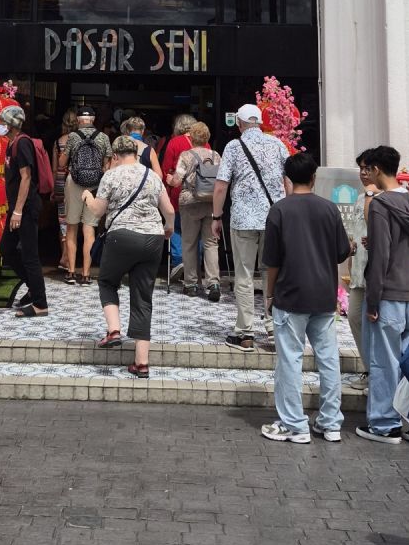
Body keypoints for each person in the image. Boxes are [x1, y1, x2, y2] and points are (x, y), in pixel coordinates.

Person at [260, 151, 354, 443]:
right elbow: (342, 252)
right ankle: (330, 422)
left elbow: (272, 260)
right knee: (328, 360)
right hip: (324, 294)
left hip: (290, 293)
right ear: (314, 177)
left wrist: (269, 293)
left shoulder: (280, 210)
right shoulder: (328, 209)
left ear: (286, 179)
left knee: (290, 359)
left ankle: (294, 424)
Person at [81, 135, 175, 378]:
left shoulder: (111, 176)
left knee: (107, 281)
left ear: (114, 156)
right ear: (136, 152)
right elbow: (169, 211)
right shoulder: (153, 176)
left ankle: (114, 331)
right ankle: (141, 363)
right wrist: (168, 229)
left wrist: (88, 197)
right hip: (153, 238)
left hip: (121, 236)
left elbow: (98, 210)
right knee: (143, 298)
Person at [358, 145, 409, 443]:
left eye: (366, 168)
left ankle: (384, 424)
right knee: (407, 362)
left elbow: (381, 256)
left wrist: (373, 300)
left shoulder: (381, 205)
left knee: (383, 362)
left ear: (375, 170)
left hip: (386, 295)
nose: (364, 173)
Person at [213, 104, 290, 350]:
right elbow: (288, 179)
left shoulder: (234, 147)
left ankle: (244, 333)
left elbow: (222, 185)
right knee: (272, 273)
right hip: (275, 217)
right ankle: (273, 329)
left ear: (239, 124)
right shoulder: (277, 144)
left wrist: (216, 216)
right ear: (259, 122)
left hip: (244, 219)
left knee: (244, 275)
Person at [0, 105, 48, 318]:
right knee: (6, 248)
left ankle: (40, 303)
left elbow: (26, 177)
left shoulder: (23, 143)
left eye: (2, 122)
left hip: (25, 208)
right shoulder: (12, 144)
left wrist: (17, 211)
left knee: (30, 255)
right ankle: (32, 287)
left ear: (11, 124)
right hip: (17, 207)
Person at [59, 107, 110, 285]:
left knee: (71, 227)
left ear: (79, 120)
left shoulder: (72, 137)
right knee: (89, 230)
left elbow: (61, 162)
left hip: (74, 183)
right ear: (93, 119)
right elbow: (107, 164)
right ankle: (86, 274)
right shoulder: (103, 137)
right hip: (95, 185)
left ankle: (71, 272)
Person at [172, 122, 221, 299]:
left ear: (191, 138)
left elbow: (177, 180)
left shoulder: (186, 155)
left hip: (190, 202)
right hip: (211, 203)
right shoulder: (216, 156)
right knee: (210, 244)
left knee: (189, 243)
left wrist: (170, 179)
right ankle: (213, 282)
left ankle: (191, 284)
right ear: (207, 138)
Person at [345, 151, 379, 378]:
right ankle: (369, 369)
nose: (364, 173)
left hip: (378, 272)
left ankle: (378, 372)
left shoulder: (386, 197)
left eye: (368, 168)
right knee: (355, 316)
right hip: (359, 272)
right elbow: (352, 235)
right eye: (361, 169)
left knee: (377, 323)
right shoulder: (360, 197)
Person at [52, 107, 78, 279]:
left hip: (61, 182)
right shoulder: (79, 141)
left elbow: (55, 168)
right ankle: (70, 258)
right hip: (76, 183)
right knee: (75, 220)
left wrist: (55, 187)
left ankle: (65, 258)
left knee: (62, 219)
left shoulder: (58, 142)